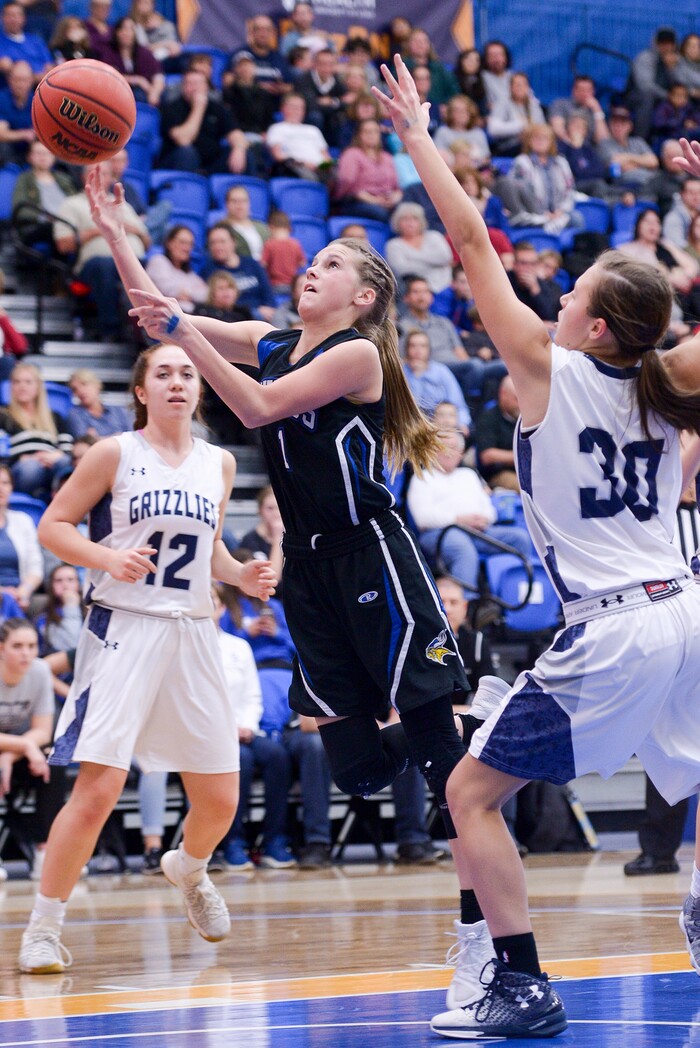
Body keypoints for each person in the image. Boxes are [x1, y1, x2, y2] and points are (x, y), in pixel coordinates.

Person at [90, 166, 484, 998]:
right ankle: (464, 718)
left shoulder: (356, 357)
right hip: (306, 568)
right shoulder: (272, 335)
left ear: (364, 297)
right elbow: (160, 316)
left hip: (369, 551)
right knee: (358, 772)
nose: (314, 266)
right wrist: (114, 229)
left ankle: (479, 928)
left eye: (333, 263)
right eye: (313, 260)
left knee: (438, 756)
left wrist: (190, 341)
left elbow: (261, 406)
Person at [375, 58, 700, 1039]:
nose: (553, 298)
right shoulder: (662, 376)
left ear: (594, 323)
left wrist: (418, 135)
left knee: (470, 792)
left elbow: (470, 239)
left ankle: (516, 982)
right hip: (687, 605)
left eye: (571, 294)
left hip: (613, 626)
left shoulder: (551, 369)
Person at [17, 338, 276, 974]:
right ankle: (43, 928)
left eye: (187, 372)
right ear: (141, 391)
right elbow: (55, 526)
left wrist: (240, 575)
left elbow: (208, 548)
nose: (177, 382)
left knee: (220, 797)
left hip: (192, 630)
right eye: (163, 373)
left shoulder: (217, 463)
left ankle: (187, 868)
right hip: (123, 628)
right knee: (99, 787)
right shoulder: (115, 452)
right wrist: (108, 559)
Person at [216, 578, 296, 870]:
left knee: (277, 756)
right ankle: (234, 843)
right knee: (241, 762)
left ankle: (275, 840)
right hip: (216, 732)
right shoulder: (195, 645)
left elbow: (251, 691)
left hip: (246, 726)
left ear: (219, 607)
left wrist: (247, 725)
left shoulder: (238, 646)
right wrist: (229, 729)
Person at [406, 428, 531, 597]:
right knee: (462, 547)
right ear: (432, 450)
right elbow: (423, 518)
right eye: (442, 447)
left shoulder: (469, 475)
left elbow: (489, 508)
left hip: (479, 531)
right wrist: (457, 520)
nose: (448, 453)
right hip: (440, 534)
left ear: (461, 453)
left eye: (453, 448)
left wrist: (484, 518)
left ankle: (515, 596)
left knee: (520, 538)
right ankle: (465, 607)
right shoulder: (422, 477)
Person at [0, 618, 67, 883]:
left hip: (16, 754)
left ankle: (45, 852)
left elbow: (43, 730)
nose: (26, 653)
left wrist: (10, 753)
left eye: (31, 645)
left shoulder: (39, 671)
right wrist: (26, 745)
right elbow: (33, 739)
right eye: (17, 646)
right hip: (22, 747)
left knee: (55, 763)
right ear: (1, 648)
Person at [53, 168, 150, 343]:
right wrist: (100, 230)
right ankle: (111, 330)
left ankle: (147, 331)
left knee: (149, 265)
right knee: (105, 265)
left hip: (134, 259)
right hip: (92, 265)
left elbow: (147, 240)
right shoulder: (71, 203)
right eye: (93, 174)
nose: (99, 178)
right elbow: (63, 244)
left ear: (111, 179)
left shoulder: (122, 204)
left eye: (104, 174)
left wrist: (124, 228)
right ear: (84, 178)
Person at [617, 207, 699, 339]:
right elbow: (644, 277)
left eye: (656, 222)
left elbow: (692, 265)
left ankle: (690, 329)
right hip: (657, 298)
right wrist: (672, 279)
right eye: (648, 222)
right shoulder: (627, 249)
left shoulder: (665, 245)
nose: (653, 226)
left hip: (684, 294)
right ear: (638, 225)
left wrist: (685, 277)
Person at [0, 363, 73, 503]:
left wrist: (56, 455)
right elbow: (2, 451)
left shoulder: (54, 416)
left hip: (53, 465)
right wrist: (21, 459)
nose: (22, 386)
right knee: (31, 468)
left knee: (64, 462)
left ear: (38, 386)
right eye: (17, 382)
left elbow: (67, 447)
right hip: (21, 469)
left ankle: (62, 505)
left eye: (28, 382)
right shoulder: (3, 415)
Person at [159, 69, 249, 176]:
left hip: (210, 164)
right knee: (187, 152)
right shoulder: (171, 108)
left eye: (198, 84)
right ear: (183, 87)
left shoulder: (217, 108)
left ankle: (242, 190)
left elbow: (237, 135)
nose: (194, 88)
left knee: (244, 153)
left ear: (207, 87)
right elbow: (184, 140)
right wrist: (198, 108)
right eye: (189, 84)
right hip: (178, 161)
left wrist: (239, 149)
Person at [402, 330, 471, 437]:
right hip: (409, 427)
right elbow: (413, 406)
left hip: (440, 427)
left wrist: (462, 424)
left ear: (429, 350)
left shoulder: (441, 371)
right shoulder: (400, 372)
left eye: (423, 346)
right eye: (413, 346)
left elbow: (459, 405)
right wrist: (417, 375)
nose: (418, 350)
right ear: (407, 349)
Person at [202, 223, 276, 322]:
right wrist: (254, 311)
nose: (218, 247)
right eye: (213, 243)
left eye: (222, 242)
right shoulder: (209, 271)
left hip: (265, 314)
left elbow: (267, 292)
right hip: (234, 318)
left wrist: (269, 308)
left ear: (234, 242)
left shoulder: (252, 264)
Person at [11, 140, 78, 250]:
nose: (43, 157)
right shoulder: (24, 179)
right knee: (57, 229)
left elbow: (76, 201)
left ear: (53, 157)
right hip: (38, 226)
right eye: (38, 153)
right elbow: (20, 208)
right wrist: (43, 216)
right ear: (30, 157)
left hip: (68, 224)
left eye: (47, 153)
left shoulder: (64, 179)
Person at [332, 118, 402, 223]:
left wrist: (394, 198)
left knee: (409, 212)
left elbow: (397, 188)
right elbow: (347, 184)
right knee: (382, 214)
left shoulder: (387, 157)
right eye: (367, 132)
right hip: (357, 202)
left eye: (375, 131)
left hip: (387, 200)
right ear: (359, 135)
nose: (372, 135)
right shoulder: (351, 154)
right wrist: (375, 200)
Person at [0, 463, 43, 612]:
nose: (1, 488)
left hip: (21, 596)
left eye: (5, 483)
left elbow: (35, 566)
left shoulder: (23, 520)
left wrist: (24, 592)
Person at [94, 15, 164, 107]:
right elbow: (107, 75)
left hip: (145, 93)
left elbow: (158, 75)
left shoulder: (144, 52)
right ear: (116, 32)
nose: (126, 33)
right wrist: (138, 80)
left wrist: (155, 92)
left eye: (130, 29)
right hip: (118, 92)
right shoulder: (108, 52)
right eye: (123, 29)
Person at [385, 203, 454, 295]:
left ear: (421, 221)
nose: (410, 223)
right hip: (413, 292)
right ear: (397, 222)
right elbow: (401, 269)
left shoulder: (434, 236)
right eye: (405, 219)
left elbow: (445, 257)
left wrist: (412, 258)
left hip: (445, 288)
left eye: (415, 219)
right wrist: (436, 265)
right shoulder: (393, 244)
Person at [627, 28, 681, 140]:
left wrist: (671, 68)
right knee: (647, 98)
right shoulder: (645, 58)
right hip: (636, 97)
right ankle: (640, 140)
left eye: (670, 44)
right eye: (663, 43)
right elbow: (645, 86)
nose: (666, 47)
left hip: (664, 98)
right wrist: (668, 96)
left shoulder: (676, 60)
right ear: (656, 43)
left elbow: (679, 85)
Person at [266, 92, 333, 182]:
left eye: (300, 107)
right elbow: (277, 155)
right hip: (296, 167)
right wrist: (303, 164)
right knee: (310, 178)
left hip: (320, 168)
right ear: (283, 108)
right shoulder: (277, 128)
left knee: (342, 175)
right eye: (293, 107)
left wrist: (325, 166)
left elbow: (326, 156)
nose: (297, 110)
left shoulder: (313, 130)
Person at [145, 224, 208, 314]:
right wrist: (192, 292)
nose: (186, 248)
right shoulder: (159, 261)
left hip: (190, 316)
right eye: (182, 242)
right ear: (169, 243)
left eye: (190, 244)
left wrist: (186, 293)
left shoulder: (189, 274)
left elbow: (206, 294)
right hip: (164, 316)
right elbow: (167, 289)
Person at [597, 106, 659, 194]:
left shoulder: (638, 142)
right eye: (615, 123)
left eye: (622, 123)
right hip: (624, 186)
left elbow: (653, 162)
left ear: (630, 126)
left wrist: (628, 158)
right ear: (610, 125)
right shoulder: (605, 144)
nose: (618, 127)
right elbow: (616, 164)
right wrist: (643, 163)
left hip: (650, 183)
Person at [475, 374, 520, 492]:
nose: (520, 404)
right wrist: (521, 456)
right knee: (527, 489)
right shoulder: (488, 418)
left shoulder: (526, 417)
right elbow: (487, 455)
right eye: (516, 398)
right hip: (498, 474)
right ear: (503, 394)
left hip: (526, 471)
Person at [486, 72, 545, 159]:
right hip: (509, 146)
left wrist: (529, 131)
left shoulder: (533, 104)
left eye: (523, 84)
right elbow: (493, 129)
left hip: (532, 142)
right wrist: (520, 126)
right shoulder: (502, 103)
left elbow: (542, 127)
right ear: (510, 87)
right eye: (517, 84)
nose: (520, 88)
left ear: (528, 87)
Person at [34, 563, 84, 657]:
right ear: (51, 585)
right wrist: (71, 606)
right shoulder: (44, 618)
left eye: (70, 580)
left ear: (79, 583)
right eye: (59, 581)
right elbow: (71, 645)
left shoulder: (90, 611)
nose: (65, 585)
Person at [507, 241, 562, 325]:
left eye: (532, 264)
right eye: (523, 263)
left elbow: (551, 318)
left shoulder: (544, 285)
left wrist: (535, 290)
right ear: (514, 264)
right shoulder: (506, 280)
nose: (528, 268)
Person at [66, 368, 131, 440]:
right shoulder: (75, 415)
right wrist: (118, 436)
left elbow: (132, 437)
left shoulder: (119, 411)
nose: (80, 391)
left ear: (97, 385)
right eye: (75, 389)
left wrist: (99, 438)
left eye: (84, 384)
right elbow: (86, 443)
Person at [547, 75, 610, 147]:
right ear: (574, 90)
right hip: (564, 145)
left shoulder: (594, 110)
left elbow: (603, 139)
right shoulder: (560, 104)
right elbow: (558, 129)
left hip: (588, 150)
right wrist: (573, 145)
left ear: (593, 91)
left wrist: (597, 110)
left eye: (588, 90)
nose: (584, 93)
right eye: (581, 89)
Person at [433, 95, 490, 169]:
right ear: (450, 113)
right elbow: (437, 157)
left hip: (475, 172)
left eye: (465, 111)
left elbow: (486, 159)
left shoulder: (478, 133)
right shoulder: (443, 132)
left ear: (470, 113)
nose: (461, 114)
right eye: (457, 111)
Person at [0, 2, 52, 80]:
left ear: (24, 18)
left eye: (18, 15)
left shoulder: (36, 41)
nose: (14, 19)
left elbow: (49, 66)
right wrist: (32, 77)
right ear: (2, 18)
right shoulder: (1, 42)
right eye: (10, 15)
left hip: (41, 85)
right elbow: (5, 65)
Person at [220, 185, 271, 262]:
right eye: (234, 201)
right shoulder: (221, 229)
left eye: (244, 201)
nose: (239, 205)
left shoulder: (262, 227)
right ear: (227, 204)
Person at [260, 211, 306, 295]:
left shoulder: (269, 244)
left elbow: (262, 265)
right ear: (289, 228)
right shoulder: (295, 244)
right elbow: (303, 263)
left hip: (274, 286)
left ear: (271, 227)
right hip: (292, 286)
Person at [0, 59, 37, 166]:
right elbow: (1, 133)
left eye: (24, 80)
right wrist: (24, 134)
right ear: (9, 80)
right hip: (7, 150)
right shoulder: (2, 98)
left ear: (31, 81)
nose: (20, 84)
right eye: (17, 79)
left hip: (30, 149)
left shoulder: (37, 100)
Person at [662, 176, 700, 247]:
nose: (696, 196)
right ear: (682, 194)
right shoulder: (673, 219)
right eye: (691, 192)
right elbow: (677, 246)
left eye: (699, 192)